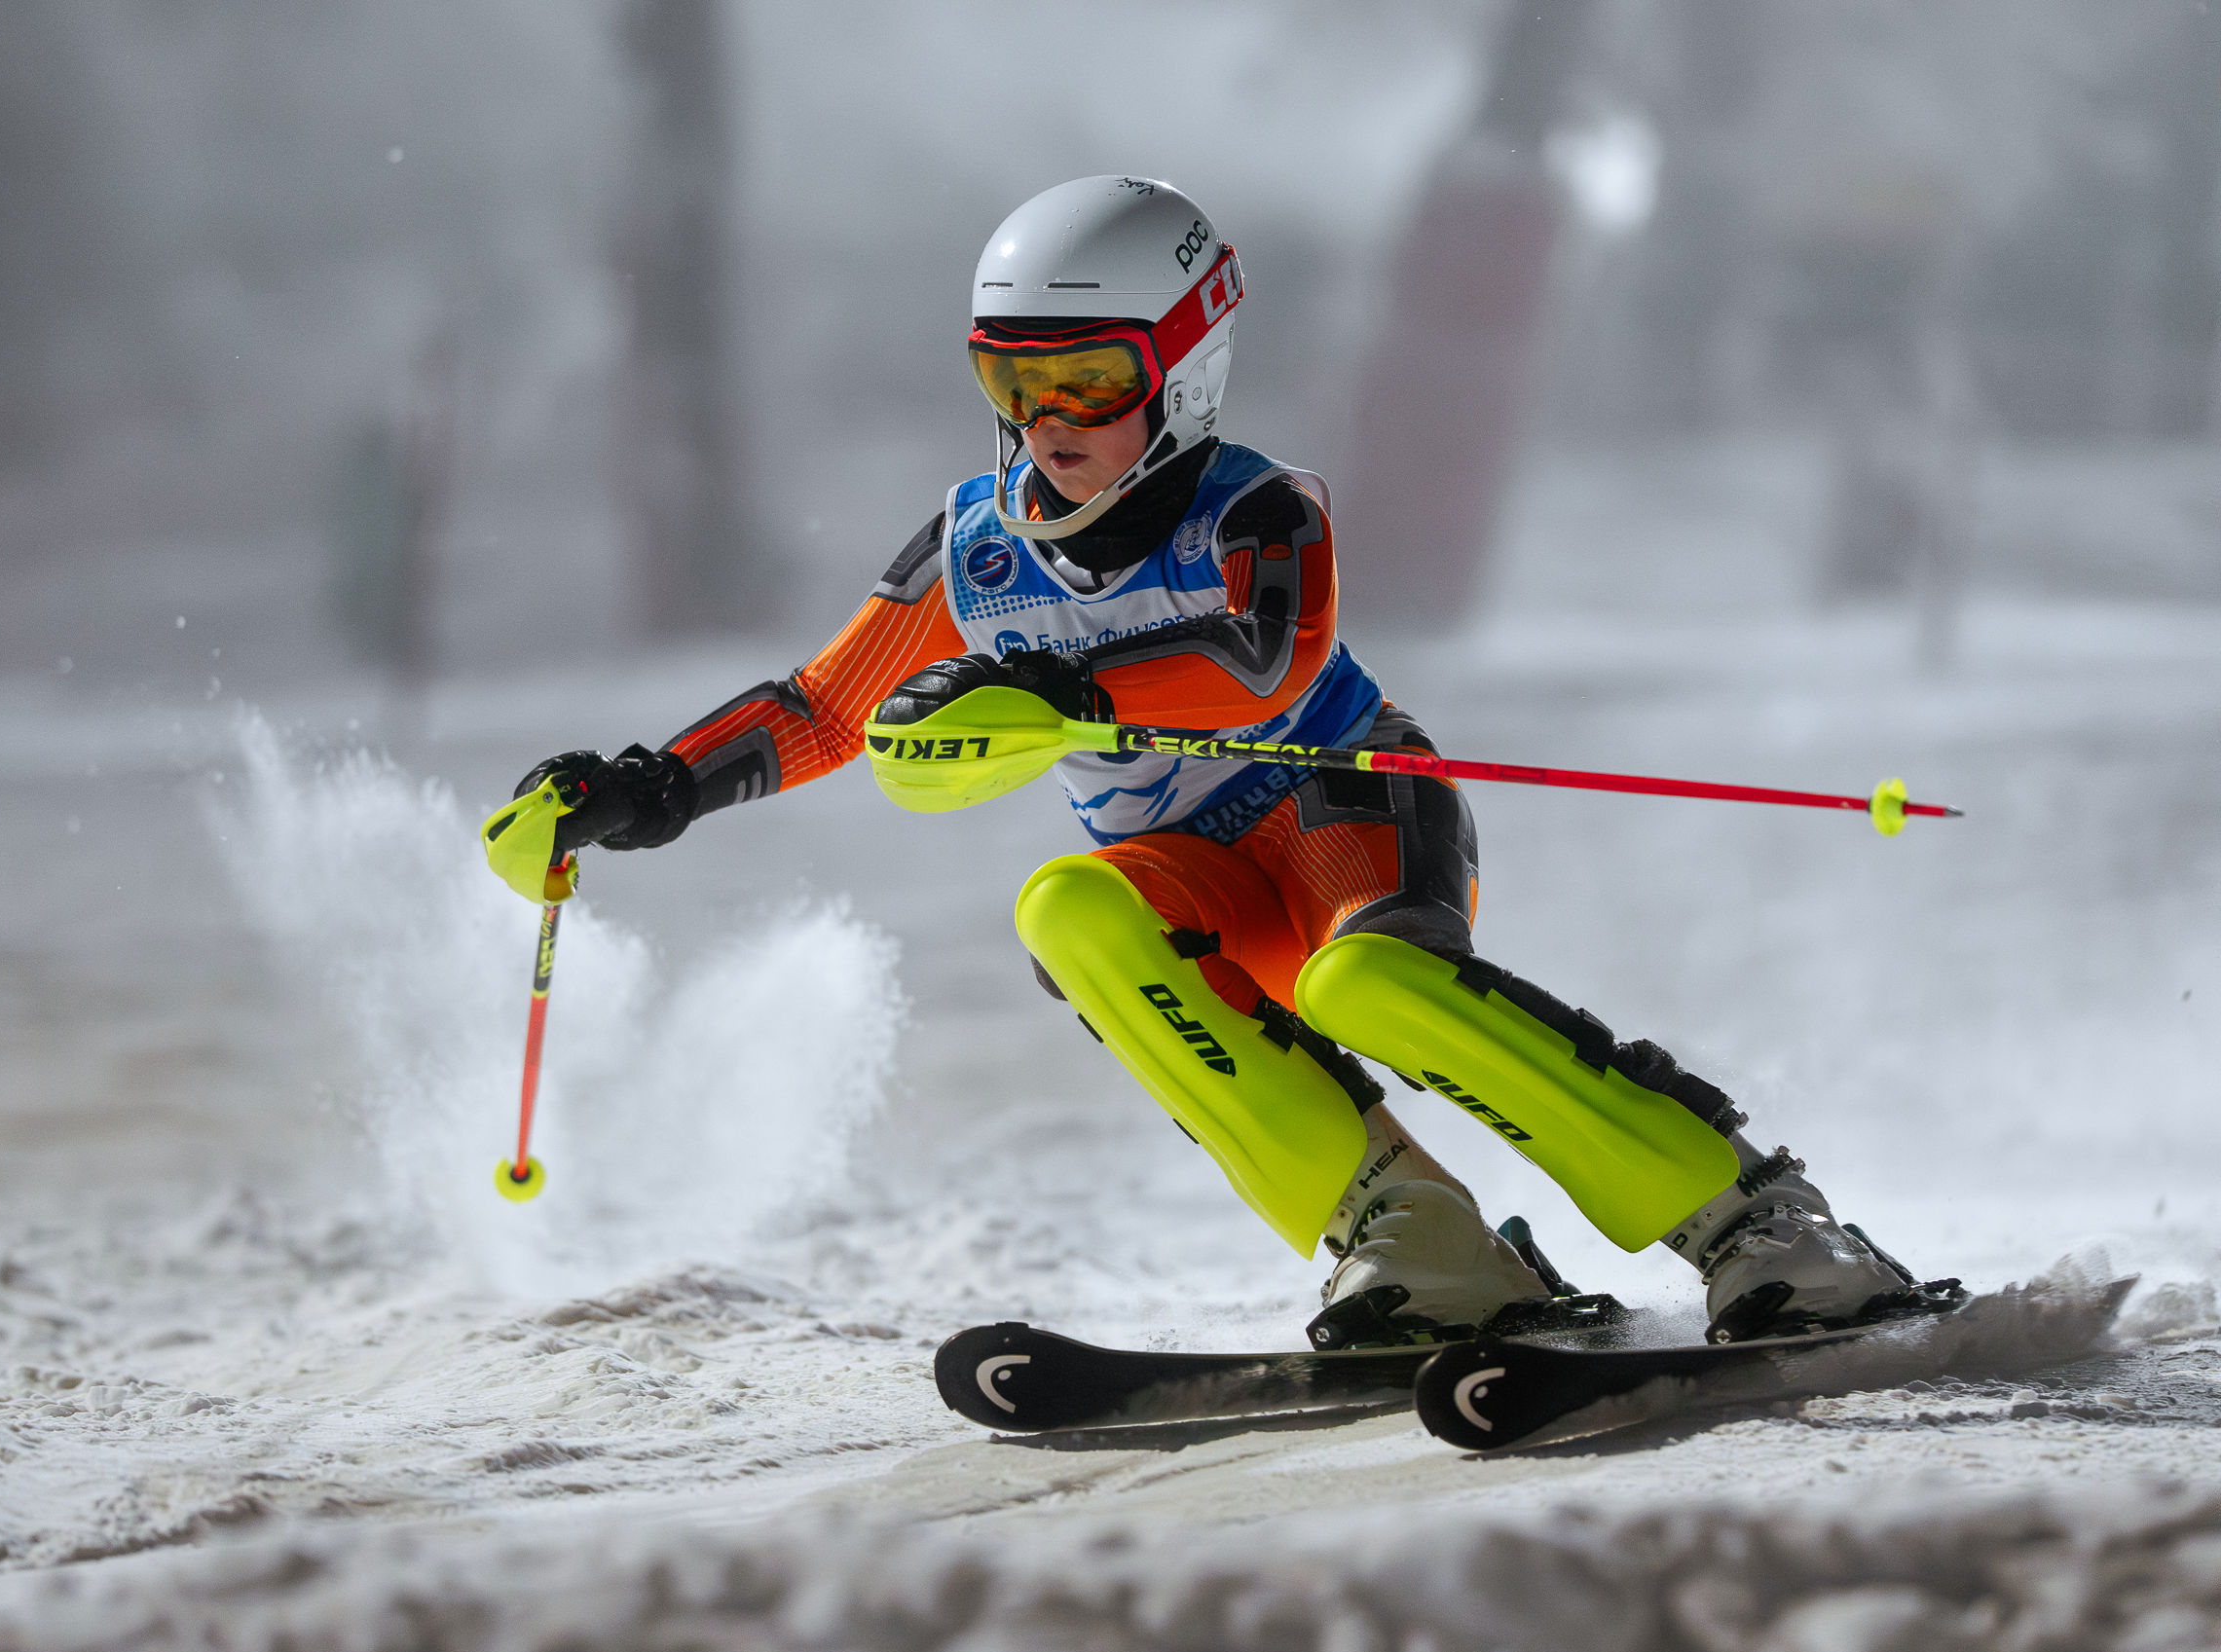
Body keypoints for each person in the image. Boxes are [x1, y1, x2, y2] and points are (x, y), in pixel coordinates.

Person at [494, 176, 1919, 1348]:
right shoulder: (974, 548)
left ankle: (1753, 1216)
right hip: (1186, 867)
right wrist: (650, 787)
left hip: (1340, 805)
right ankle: (1412, 1234)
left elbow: (1268, 665)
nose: (1050, 425)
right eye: (1015, 380)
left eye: (1093, 380)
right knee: (1068, 908)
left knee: (1371, 981)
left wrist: (1055, 689)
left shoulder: (1261, 509)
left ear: (1185, 365)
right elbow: (822, 706)